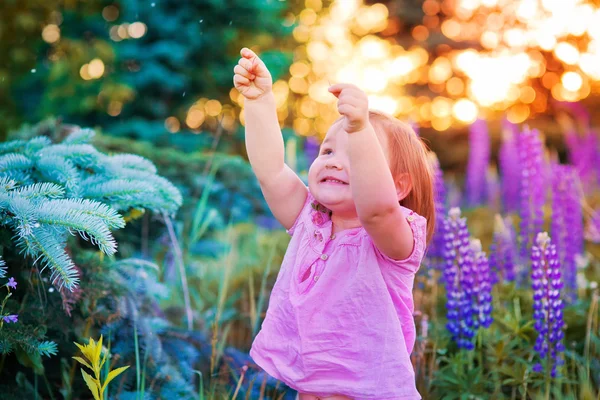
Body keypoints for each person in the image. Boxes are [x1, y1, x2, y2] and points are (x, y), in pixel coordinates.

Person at [233, 47, 435, 400]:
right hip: (311, 383)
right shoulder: (310, 219)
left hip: (371, 390)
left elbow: (377, 210)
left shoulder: (394, 237)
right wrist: (260, 101)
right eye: (327, 151)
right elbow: (270, 171)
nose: (333, 162)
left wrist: (361, 131)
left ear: (399, 186)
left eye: (354, 154)